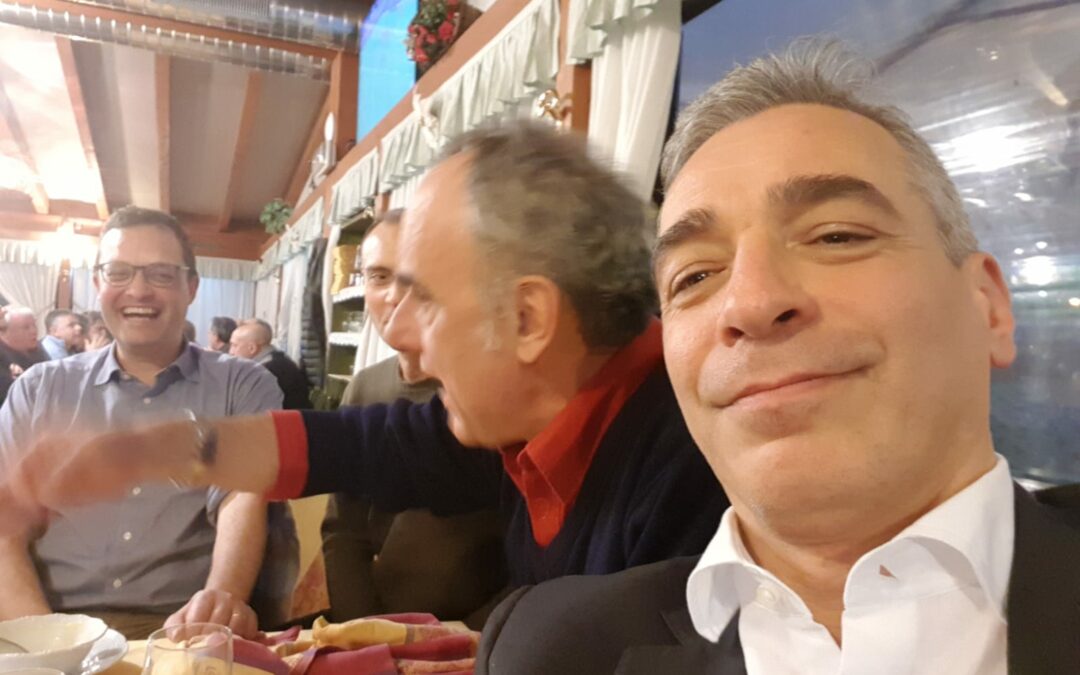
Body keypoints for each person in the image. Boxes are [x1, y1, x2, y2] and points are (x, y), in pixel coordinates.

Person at [473, 40, 1080, 674]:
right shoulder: (556, 650)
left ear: (988, 306)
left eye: (836, 236)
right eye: (694, 276)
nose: (751, 302)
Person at [0, 121, 729, 596]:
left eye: (425, 299)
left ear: (527, 318)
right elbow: (354, 445)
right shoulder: (525, 417)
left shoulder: (699, 461)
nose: (401, 334)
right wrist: (139, 452)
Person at [0, 206, 296, 640]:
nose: (138, 290)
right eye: (118, 272)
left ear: (191, 287)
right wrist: (47, 644)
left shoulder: (243, 383)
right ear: (98, 284)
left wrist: (219, 601)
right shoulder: (39, 388)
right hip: (49, 621)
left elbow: (241, 500)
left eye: (161, 274)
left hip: (176, 629)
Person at [320, 209, 505, 626]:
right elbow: (343, 530)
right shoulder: (365, 387)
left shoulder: (496, 388)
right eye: (379, 277)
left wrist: (464, 640)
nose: (394, 296)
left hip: (477, 635)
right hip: (378, 624)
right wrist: (364, 628)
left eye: (414, 276)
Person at [229, 319, 311, 410]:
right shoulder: (279, 360)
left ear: (252, 348)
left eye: (234, 345)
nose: (231, 352)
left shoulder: (265, 372)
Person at [0, 307, 48, 407]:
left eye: (34, 325)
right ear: (5, 332)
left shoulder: (39, 350)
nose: (34, 331)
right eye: (26, 328)